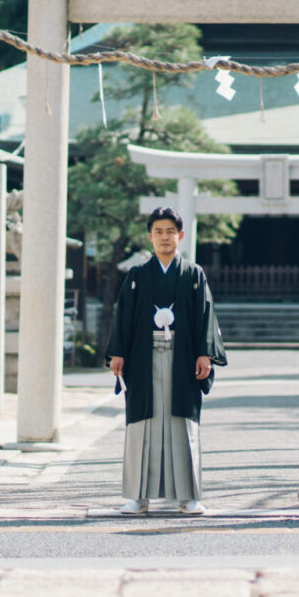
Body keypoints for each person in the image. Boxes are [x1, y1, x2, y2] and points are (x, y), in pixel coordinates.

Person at [106, 207, 228, 515]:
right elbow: (123, 317)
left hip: (184, 357)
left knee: (182, 424)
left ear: (180, 236)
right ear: (149, 237)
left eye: (170, 231)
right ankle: (137, 495)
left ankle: (189, 496)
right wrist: (117, 352)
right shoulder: (137, 276)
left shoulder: (193, 274)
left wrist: (205, 353)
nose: (164, 237)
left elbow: (206, 315)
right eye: (158, 231)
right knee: (142, 425)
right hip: (142, 358)